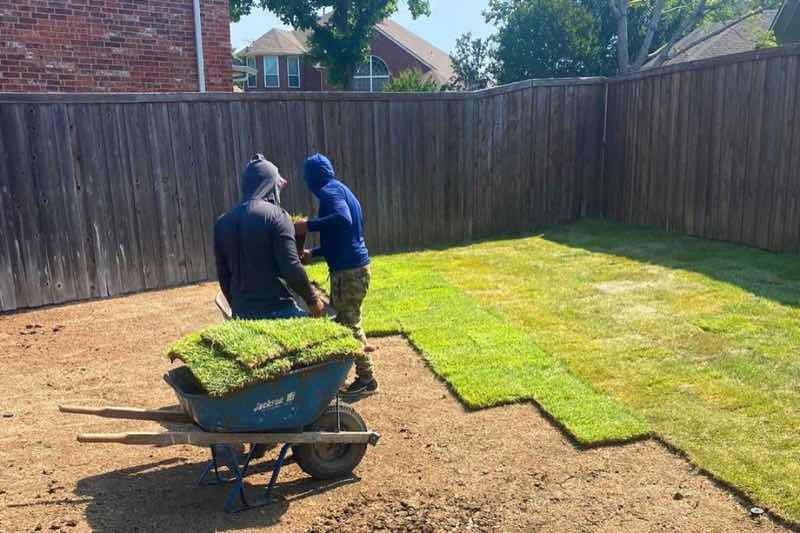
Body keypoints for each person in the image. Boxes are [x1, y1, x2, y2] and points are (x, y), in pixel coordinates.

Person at [297, 153, 376, 398]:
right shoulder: (342, 190)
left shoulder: (329, 192)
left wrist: (308, 226)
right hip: (357, 268)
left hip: (349, 273)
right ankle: (352, 375)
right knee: (349, 321)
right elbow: (341, 237)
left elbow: (342, 220)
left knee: (347, 324)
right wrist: (313, 254)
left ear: (312, 179)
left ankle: (366, 379)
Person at [214, 154, 324, 320]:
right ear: (270, 185)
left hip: (241, 311)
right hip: (278, 309)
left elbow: (223, 275)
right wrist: (313, 300)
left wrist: (237, 307)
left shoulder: (222, 223)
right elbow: (291, 266)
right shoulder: (277, 216)